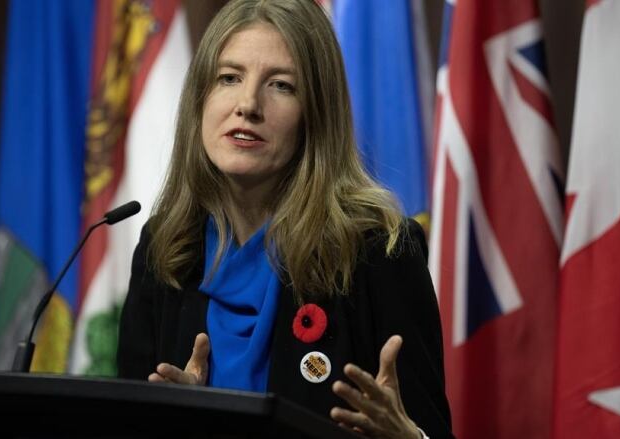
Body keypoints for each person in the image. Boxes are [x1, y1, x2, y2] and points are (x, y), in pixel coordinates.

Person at [117, 0, 453, 437]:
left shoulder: (378, 251)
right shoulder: (165, 248)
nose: (248, 104)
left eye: (280, 86)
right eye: (229, 78)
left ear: (316, 115)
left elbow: (426, 426)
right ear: (201, 98)